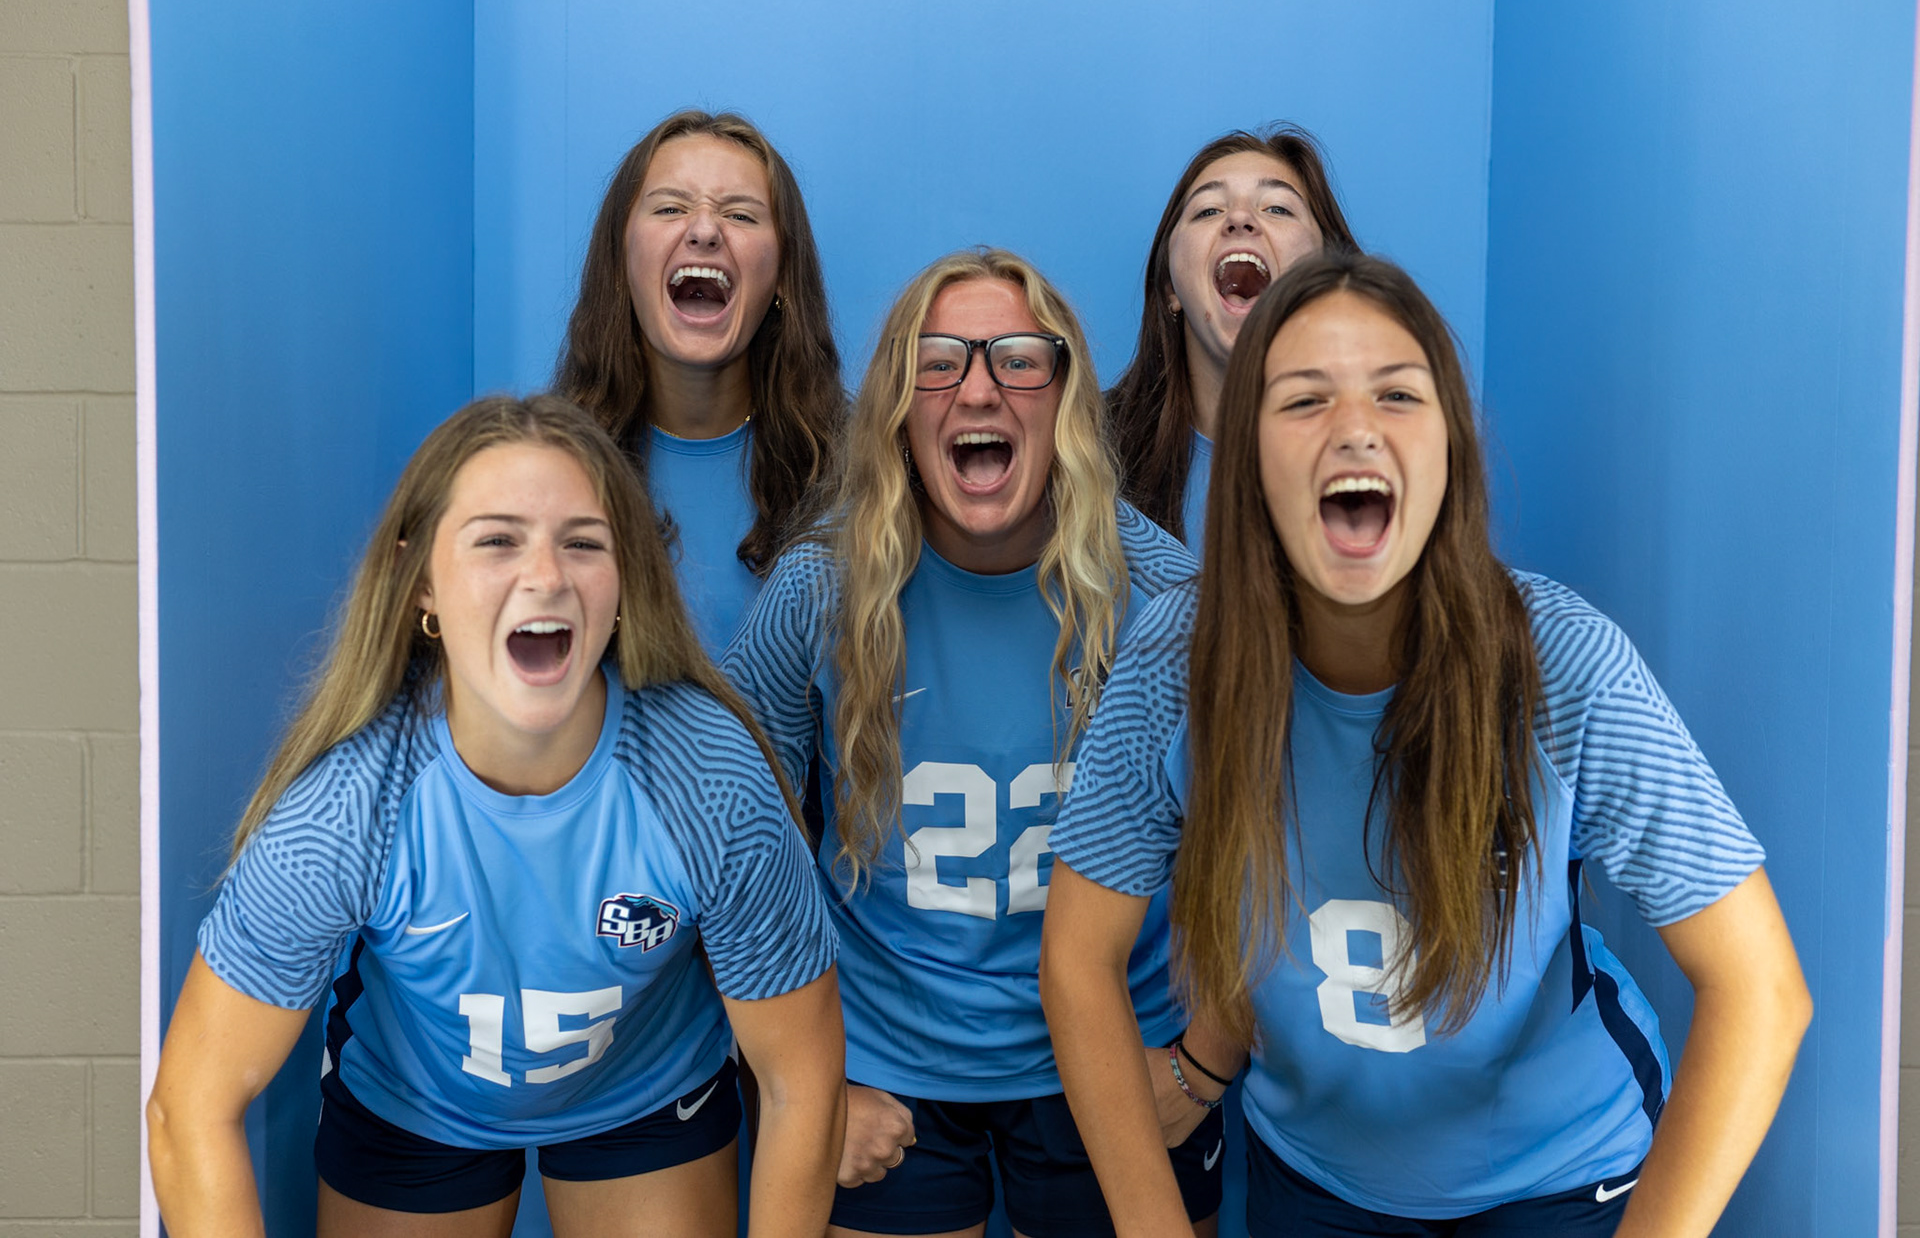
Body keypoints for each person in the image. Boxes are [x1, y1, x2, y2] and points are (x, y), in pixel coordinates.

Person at [1041, 252, 1810, 1237]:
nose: (1355, 426)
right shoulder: (1172, 663)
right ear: (1247, 462)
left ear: (1451, 451)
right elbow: (1078, 955)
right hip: (1315, 1181)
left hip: (1559, 1179)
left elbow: (1760, 989)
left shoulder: (1561, 663)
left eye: (1398, 394)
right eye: (1304, 399)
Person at [147, 395, 845, 1237]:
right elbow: (190, 1107)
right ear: (421, 585)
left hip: (644, 1085)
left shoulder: (709, 778)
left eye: (583, 542)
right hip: (416, 1099)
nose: (545, 576)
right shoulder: (346, 810)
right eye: (497, 541)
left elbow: (801, 1083)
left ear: (625, 580)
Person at [721, 249, 1211, 1238]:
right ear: (898, 410)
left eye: (1019, 359)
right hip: (887, 1064)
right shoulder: (819, 588)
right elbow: (724, 841)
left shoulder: (1163, 595)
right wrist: (799, 1077)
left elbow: (1267, 840)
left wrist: (1204, 1062)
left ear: (1066, 400)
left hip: (1114, 1052)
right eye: (937, 361)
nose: (978, 387)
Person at [554, 109, 845, 655]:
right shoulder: (547, 467)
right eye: (670, 208)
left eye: (740, 214)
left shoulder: (859, 471)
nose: (705, 230)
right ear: (621, 261)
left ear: (783, 273)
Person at [1105, 126, 1356, 552]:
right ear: (1170, 288)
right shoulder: (1086, 453)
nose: (1240, 219)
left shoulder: (1379, 449)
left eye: (1277, 208)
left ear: (1329, 281)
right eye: (1208, 211)